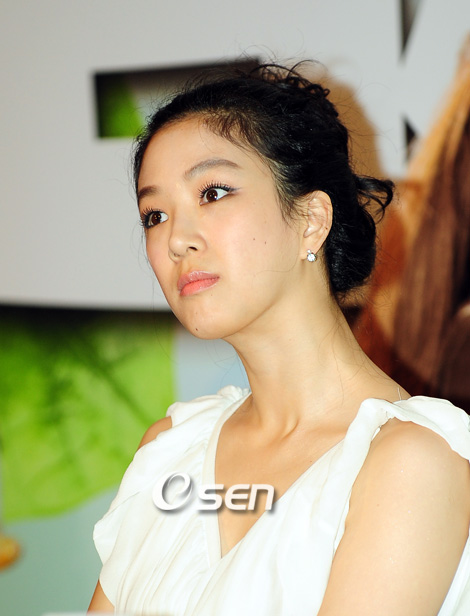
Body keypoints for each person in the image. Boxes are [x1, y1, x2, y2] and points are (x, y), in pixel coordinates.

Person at [88, 63, 470, 615]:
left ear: (311, 219)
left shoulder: (410, 461)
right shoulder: (171, 450)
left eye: (213, 192)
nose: (175, 239)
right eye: (154, 215)